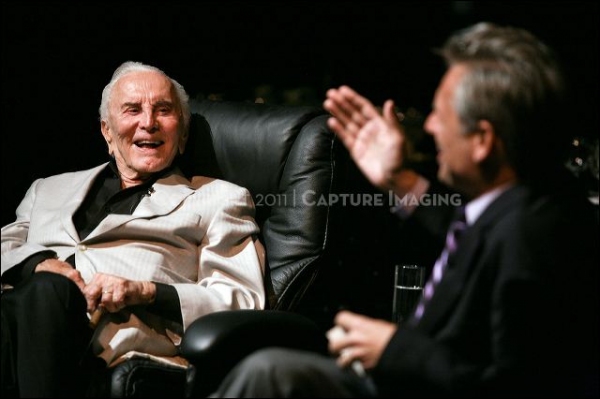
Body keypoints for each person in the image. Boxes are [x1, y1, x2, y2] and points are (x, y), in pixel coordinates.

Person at [208, 22, 599, 397]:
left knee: (271, 374)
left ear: (482, 140)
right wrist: (400, 180)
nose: (429, 127)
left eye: (440, 115)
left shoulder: (533, 237)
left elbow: (516, 386)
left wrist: (395, 349)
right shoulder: (522, 204)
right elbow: (469, 234)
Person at [0, 61, 266, 397]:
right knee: (42, 290)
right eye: (132, 109)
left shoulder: (219, 199)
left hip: (98, 348)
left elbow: (241, 300)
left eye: (163, 110)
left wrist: (143, 291)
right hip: (16, 326)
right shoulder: (47, 189)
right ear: (107, 131)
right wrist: (38, 263)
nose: (148, 123)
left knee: (49, 291)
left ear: (182, 134)